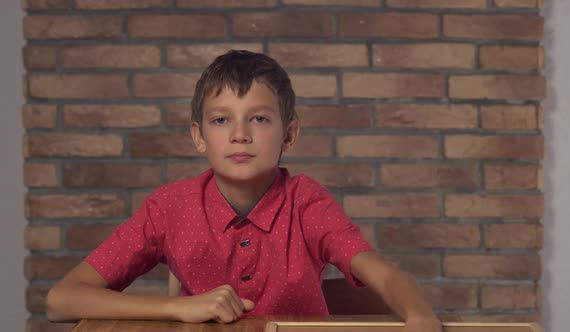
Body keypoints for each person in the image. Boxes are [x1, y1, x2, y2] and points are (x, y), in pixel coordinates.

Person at [45, 50, 442, 332]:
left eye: (259, 118)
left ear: (289, 134)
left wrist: (422, 318)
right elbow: (61, 300)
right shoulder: (170, 207)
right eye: (221, 120)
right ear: (199, 137)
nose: (239, 135)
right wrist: (179, 308)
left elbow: (388, 278)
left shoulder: (308, 203)